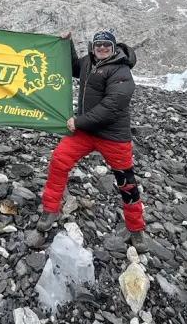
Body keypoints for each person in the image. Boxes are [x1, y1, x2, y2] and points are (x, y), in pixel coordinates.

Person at [37, 29, 149, 253]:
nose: (102, 47)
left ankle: (136, 230)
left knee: (125, 182)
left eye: (107, 44)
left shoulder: (122, 71)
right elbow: (74, 68)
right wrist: (66, 45)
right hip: (86, 132)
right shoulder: (90, 61)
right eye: (98, 44)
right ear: (93, 46)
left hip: (112, 136)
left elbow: (112, 106)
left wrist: (79, 122)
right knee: (59, 160)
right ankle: (51, 210)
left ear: (114, 47)